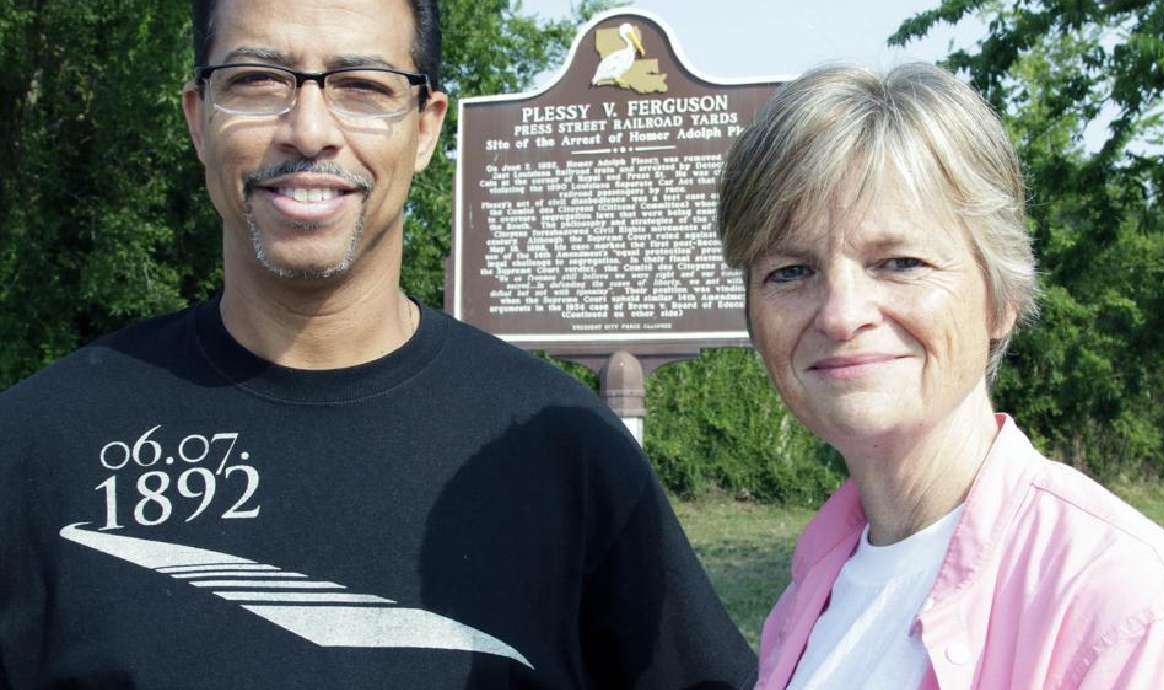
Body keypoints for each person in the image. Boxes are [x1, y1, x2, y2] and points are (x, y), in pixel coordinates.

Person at [0, 1, 757, 688]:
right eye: (260, 80)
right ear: (199, 117)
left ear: (426, 127)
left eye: (361, 85)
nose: (309, 129)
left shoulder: (564, 450)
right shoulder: (37, 449)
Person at [717, 63, 1164, 690]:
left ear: (1002, 296)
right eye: (791, 271)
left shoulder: (1125, 607)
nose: (841, 315)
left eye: (899, 263)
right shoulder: (815, 589)